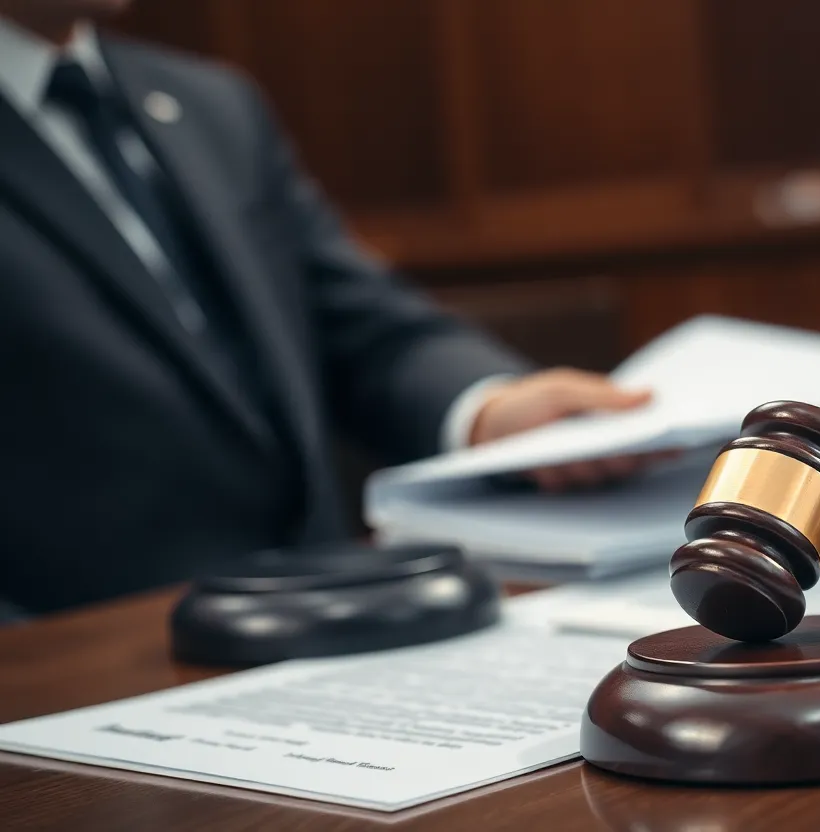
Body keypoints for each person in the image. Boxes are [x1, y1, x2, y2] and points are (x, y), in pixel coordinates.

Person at [0, 1, 655, 619]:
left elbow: (358, 326)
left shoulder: (209, 105)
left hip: (318, 616)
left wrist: (490, 411)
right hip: (74, 673)